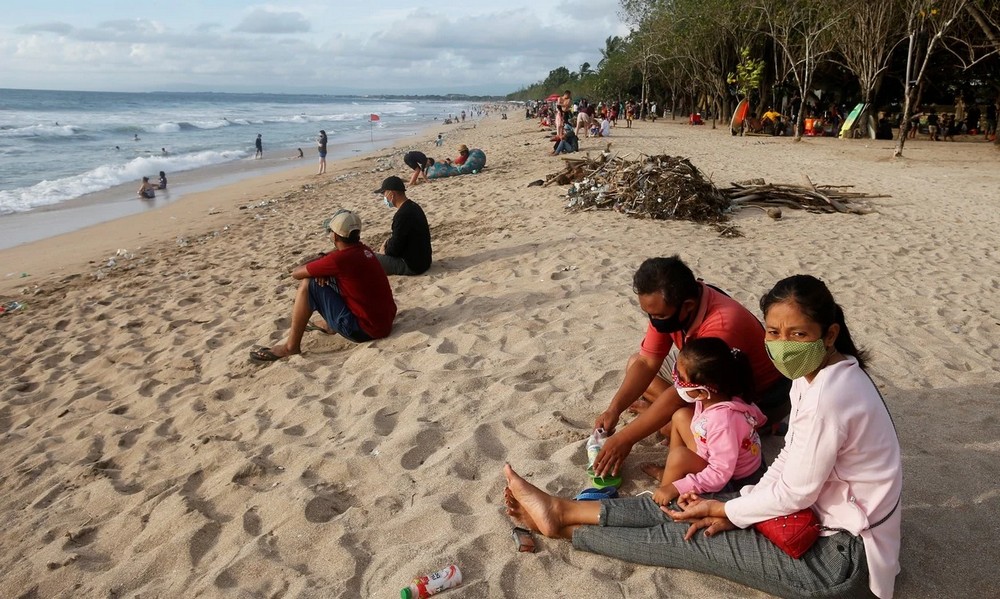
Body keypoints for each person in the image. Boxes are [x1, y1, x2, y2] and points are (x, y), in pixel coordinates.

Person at [503, 274, 902, 599]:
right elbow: (788, 461)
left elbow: (796, 492)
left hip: (841, 558)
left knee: (690, 538)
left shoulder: (831, 397)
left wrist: (726, 512)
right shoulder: (813, 376)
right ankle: (565, 510)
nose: (782, 345)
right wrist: (733, 504)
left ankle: (563, 528)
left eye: (797, 335)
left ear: (829, 334)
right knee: (687, 502)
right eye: (774, 332)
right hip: (812, 512)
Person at [591, 256, 789, 480]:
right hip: (704, 379)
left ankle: (669, 423)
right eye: (650, 314)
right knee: (634, 364)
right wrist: (614, 410)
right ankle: (661, 418)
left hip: (757, 400)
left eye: (659, 316)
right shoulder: (672, 309)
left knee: (680, 415)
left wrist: (625, 438)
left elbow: (680, 394)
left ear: (688, 306)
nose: (654, 321)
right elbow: (647, 362)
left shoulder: (722, 325)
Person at [248, 209, 396, 362]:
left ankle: (291, 346)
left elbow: (296, 273)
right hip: (384, 323)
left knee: (309, 284)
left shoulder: (339, 260)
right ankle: (329, 323)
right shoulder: (364, 250)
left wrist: (320, 261)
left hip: (365, 330)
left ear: (334, 235)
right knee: (336, 282)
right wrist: (324, 269)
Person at [643, 337, 767, 507]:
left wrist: (675, 488)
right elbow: (759, 419)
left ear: (702, 391)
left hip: (734, 481)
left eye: (680, 377)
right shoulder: (722, 394)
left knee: (680, 456)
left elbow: (720, 473)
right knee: (680, 416)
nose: (676, 380)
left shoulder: (723, 421)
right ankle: (671, 474)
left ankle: (665, 499)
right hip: (722, 460)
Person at [373, 176, 432, 276]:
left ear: (391, 194)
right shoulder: (414, 206)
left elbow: (394, 250)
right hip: (424, 261)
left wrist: (384, 250)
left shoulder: (402, 215)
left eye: (384, 194)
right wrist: (388, 242)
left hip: (412, 266)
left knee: (368, 257)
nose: (384, 197)